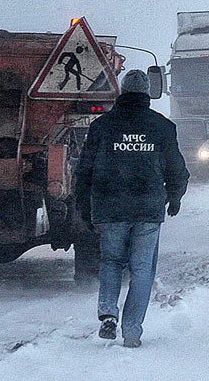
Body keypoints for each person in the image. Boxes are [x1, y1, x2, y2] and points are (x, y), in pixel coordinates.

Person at [75, 69, 190, 348]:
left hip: (110, 207)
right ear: (147, 94)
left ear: (122, 92)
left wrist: (83, 206)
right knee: (141, 270)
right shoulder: (162, 127)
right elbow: (177, 169)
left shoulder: (102, 126)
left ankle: (107, 313)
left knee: (111, 262)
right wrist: (174, 197)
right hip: (148, 209)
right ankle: (132, 331)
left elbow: (84, 170)